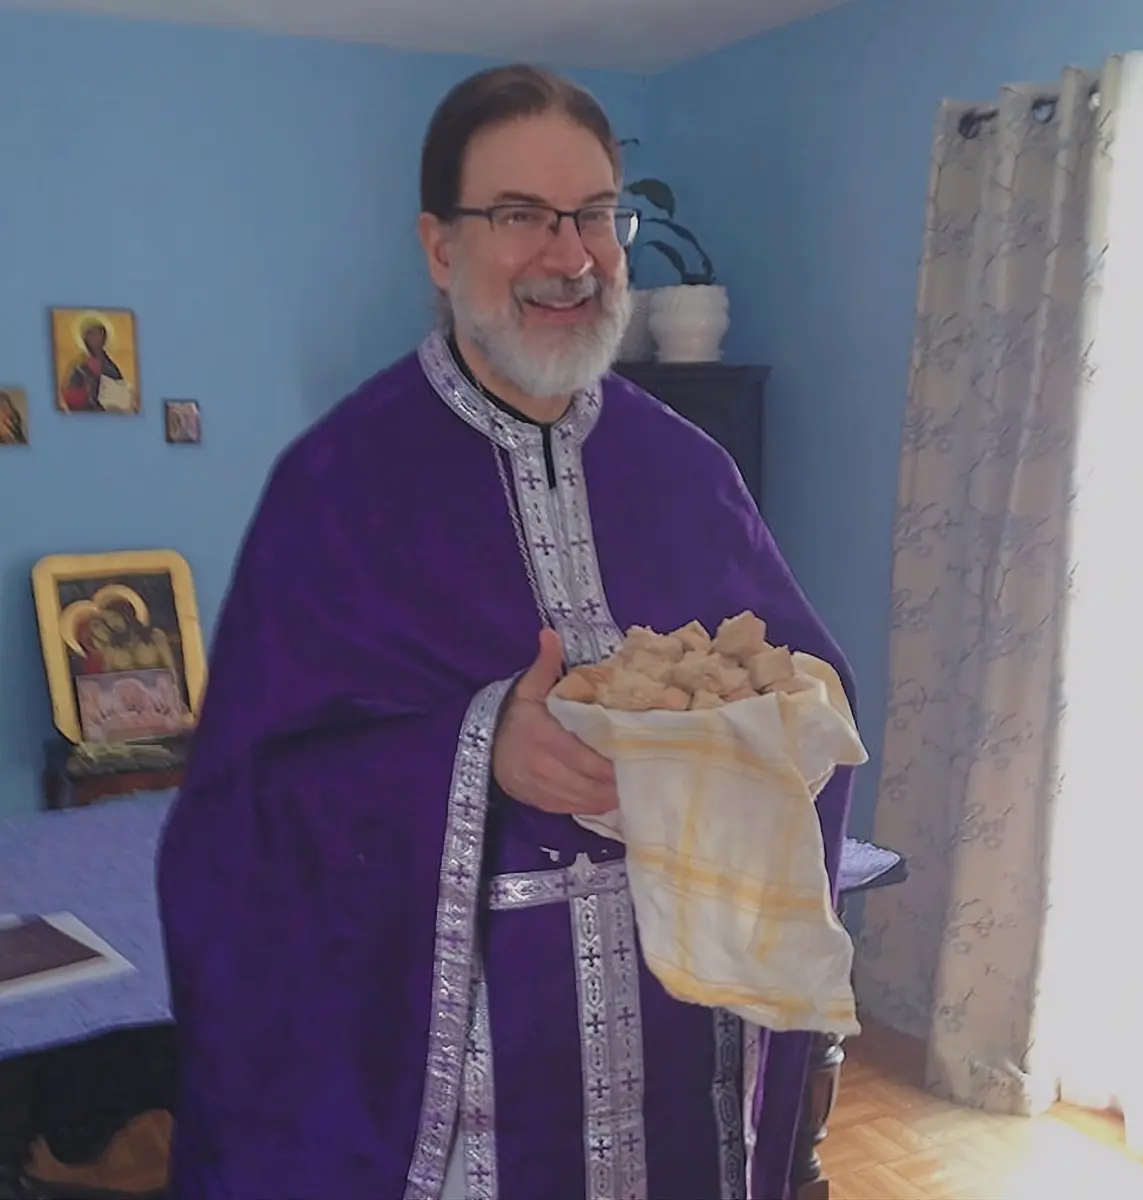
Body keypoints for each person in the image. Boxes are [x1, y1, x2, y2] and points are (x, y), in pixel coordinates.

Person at [157, 64, 859, 1200]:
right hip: (473, 1073)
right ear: (441, 249)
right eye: (522, 216)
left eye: (593, 214)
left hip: (682, 1032)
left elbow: (815, 699)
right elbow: (245, 810)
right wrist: (480, 749)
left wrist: (769, 728)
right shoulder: (337, 485)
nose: (570, 254)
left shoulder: (687, 471)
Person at [60, 321, 129, 411]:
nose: (94, 338)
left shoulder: (110, 365)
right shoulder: (78, 365)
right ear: (85, 338)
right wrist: (85, 391)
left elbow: (120, 389)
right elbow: (70, 393)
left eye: (98, 334)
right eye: (90, 334)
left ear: (104, 337)